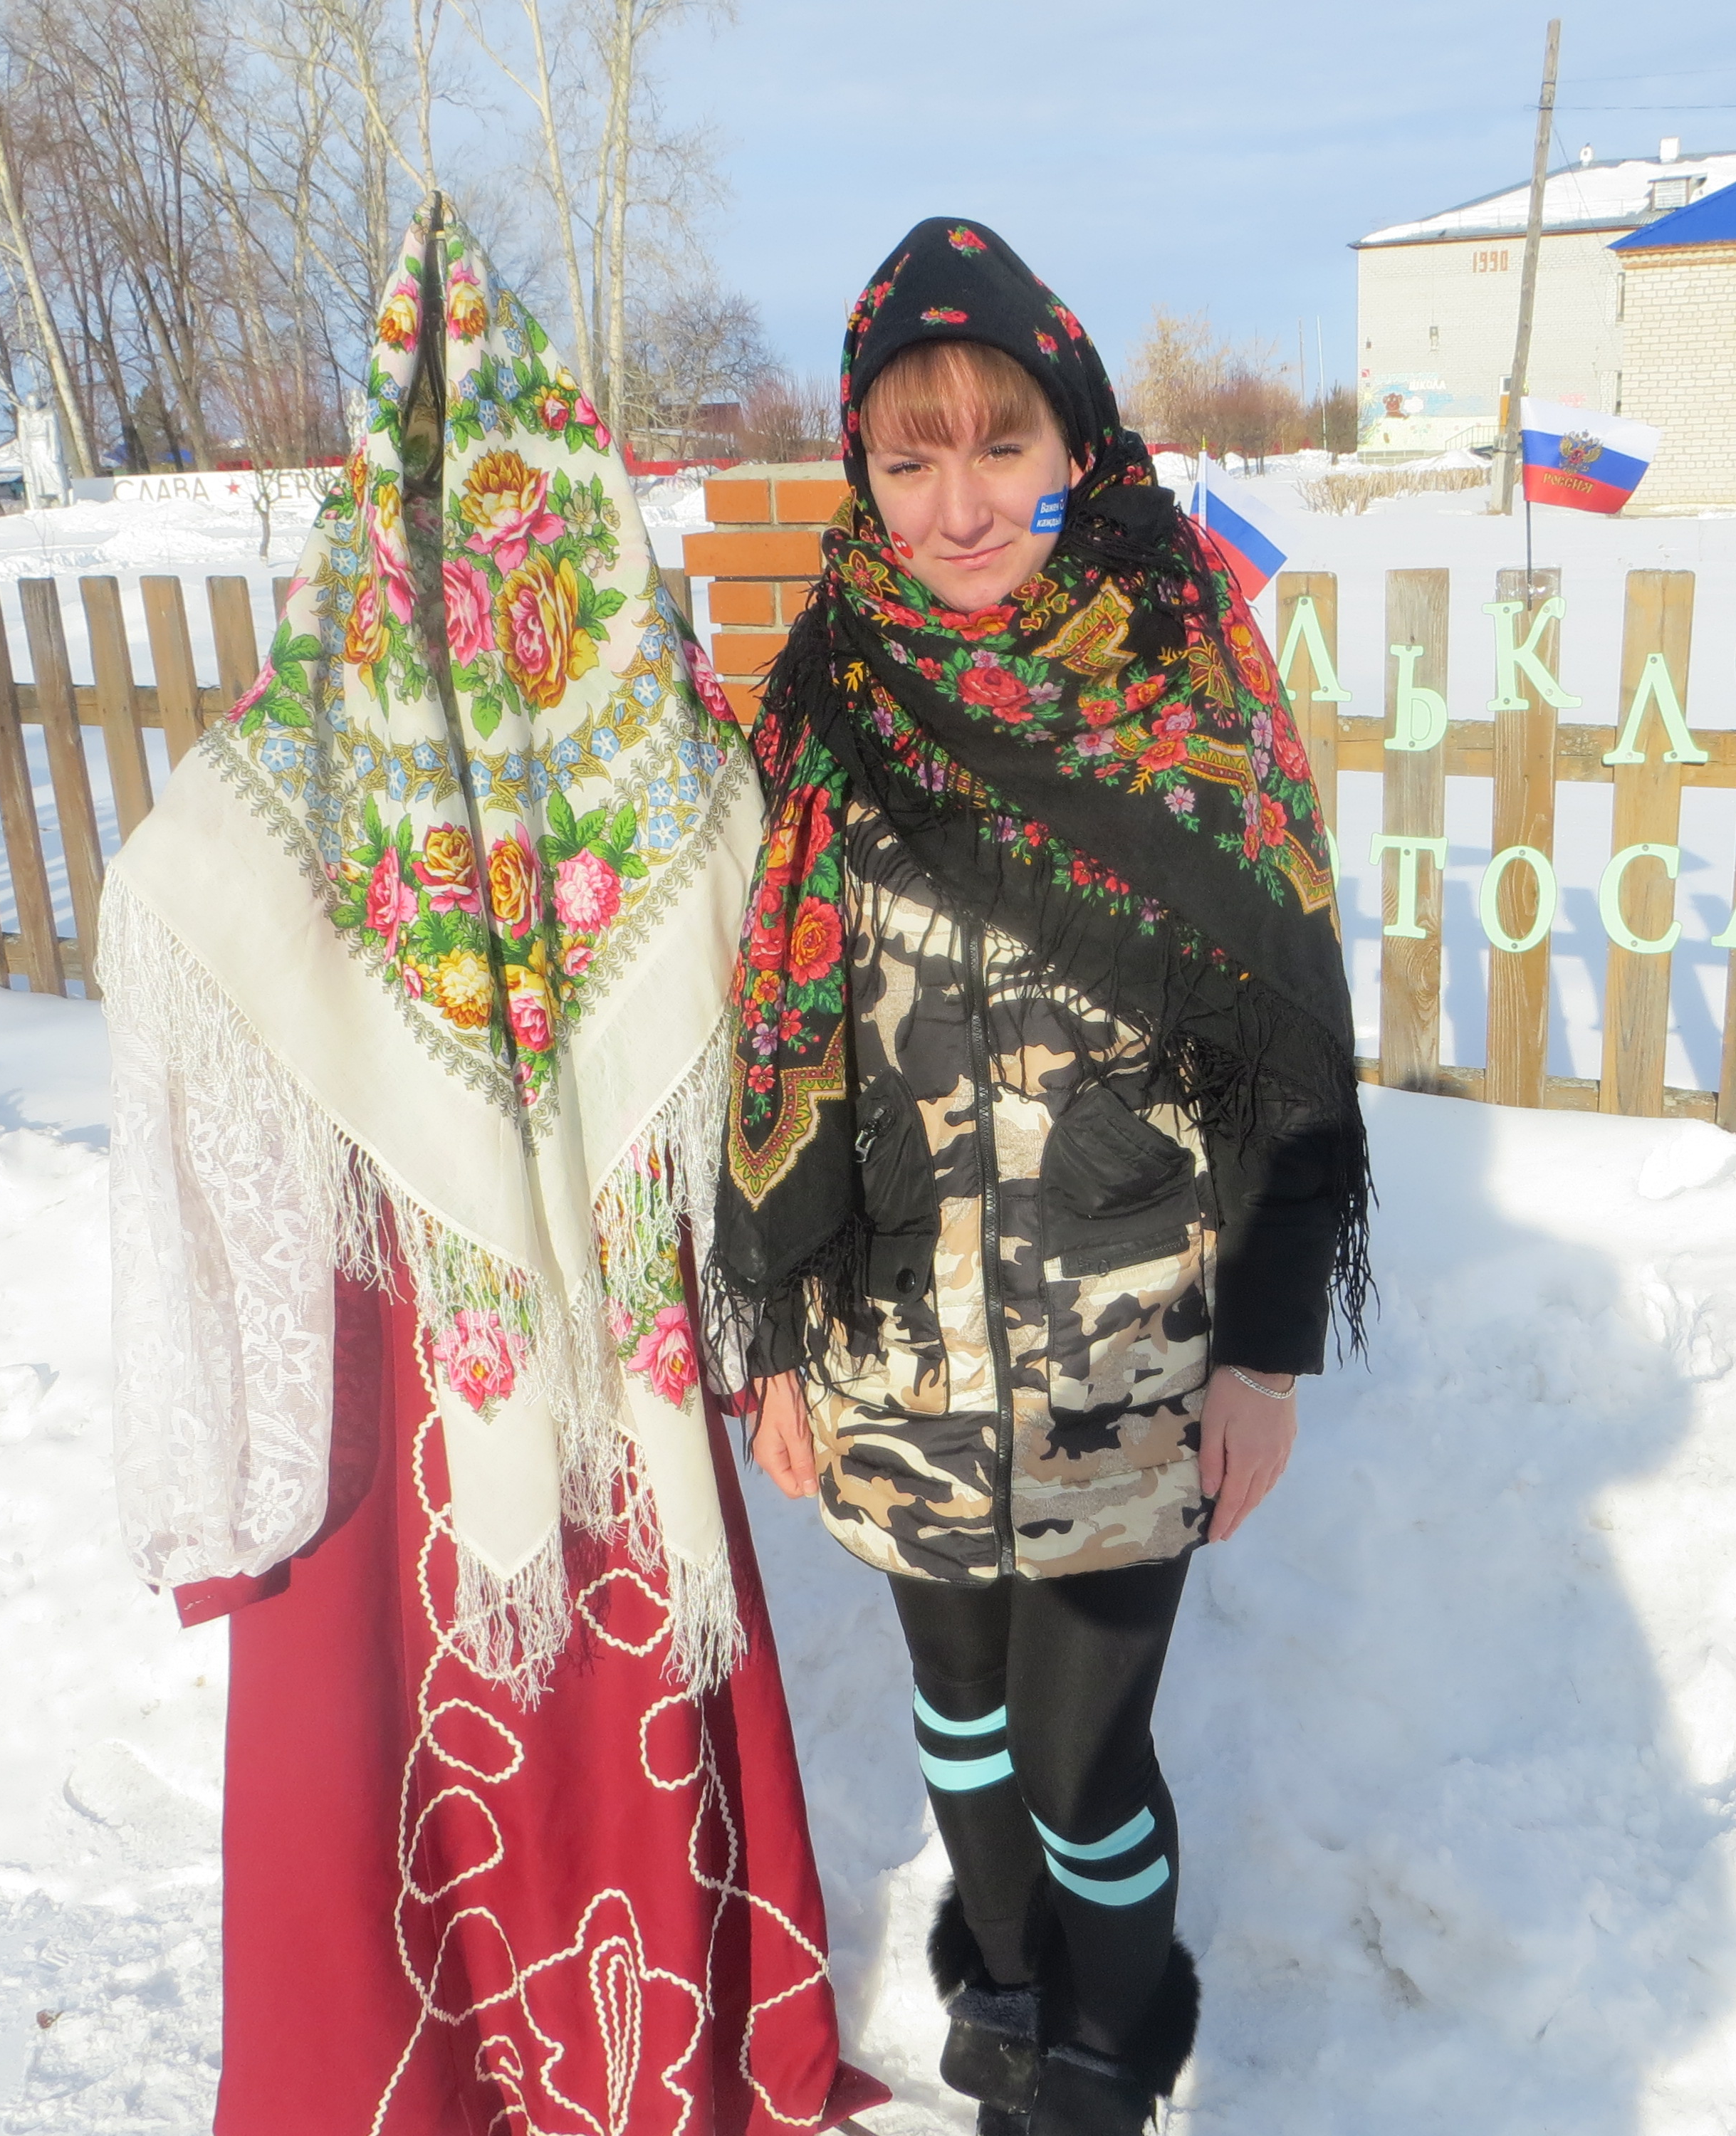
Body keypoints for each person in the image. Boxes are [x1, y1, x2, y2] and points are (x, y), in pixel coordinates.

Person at [99, 197, 882, 2136]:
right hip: (410, 1316)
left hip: (595, 1327)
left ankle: (605, 2053)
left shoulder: (634, 734)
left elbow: (749, 916)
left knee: (569, 1681)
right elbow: (194, 898)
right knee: (399, 1712)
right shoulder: (346, 742)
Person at [712, 219, 1370, 2136]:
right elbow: (769, 1039)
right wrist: (775, 1341)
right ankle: (1003, 2007)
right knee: (963, 1724)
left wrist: (1263, 1358)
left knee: (1085, 1759)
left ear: (1075, 439)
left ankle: (1110, 2051)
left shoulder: (1186, 694)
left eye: (1001, 444)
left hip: (1128, 1358)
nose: (961, 503)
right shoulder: (822, 700)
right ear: (861, 466)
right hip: (895, 1349)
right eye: (910, 456)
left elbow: (1289, 1053)